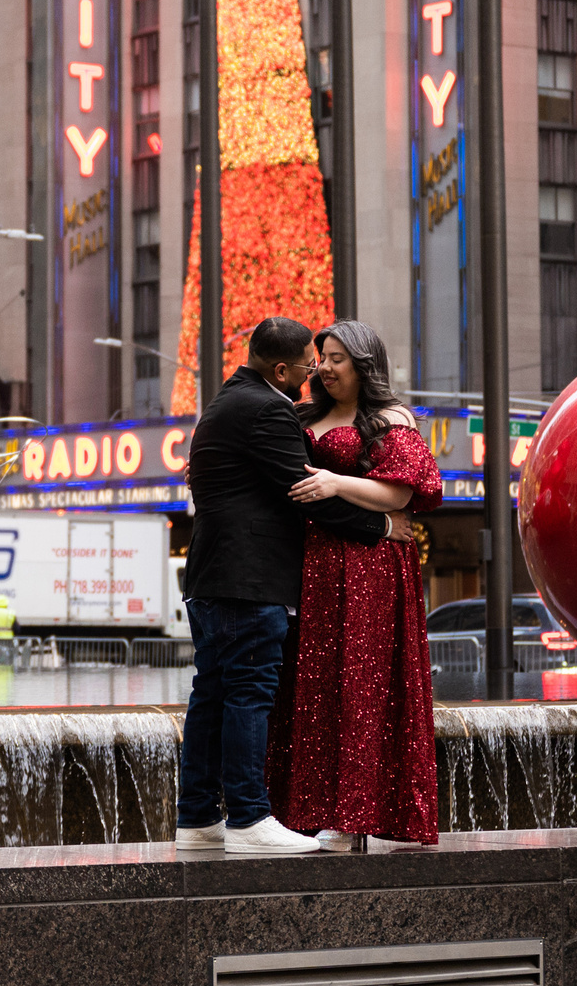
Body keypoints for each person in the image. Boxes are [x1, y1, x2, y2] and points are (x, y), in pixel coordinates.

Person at [176, 316, 408, 855]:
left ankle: (198, 818)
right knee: (248, 694)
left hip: (211, 577)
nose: (315, 373)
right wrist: (381, 527)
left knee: (211, 696)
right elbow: (307, 494)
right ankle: (249, 819)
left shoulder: (225, 401)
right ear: (281, 370)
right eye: (309, 364)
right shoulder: (269, 408)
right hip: (249, 582)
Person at [268, 320, 445, 850]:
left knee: (361, 686)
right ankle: (300, 811)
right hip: (312, 565)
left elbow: (400, 495)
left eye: (337, 358)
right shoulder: (301, 415)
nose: (324, 367)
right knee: (310, 687)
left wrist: (334, 482)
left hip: (370, 568)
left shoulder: (390, 419)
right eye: (321, 357)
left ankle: (351, 816)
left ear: (364, 364)